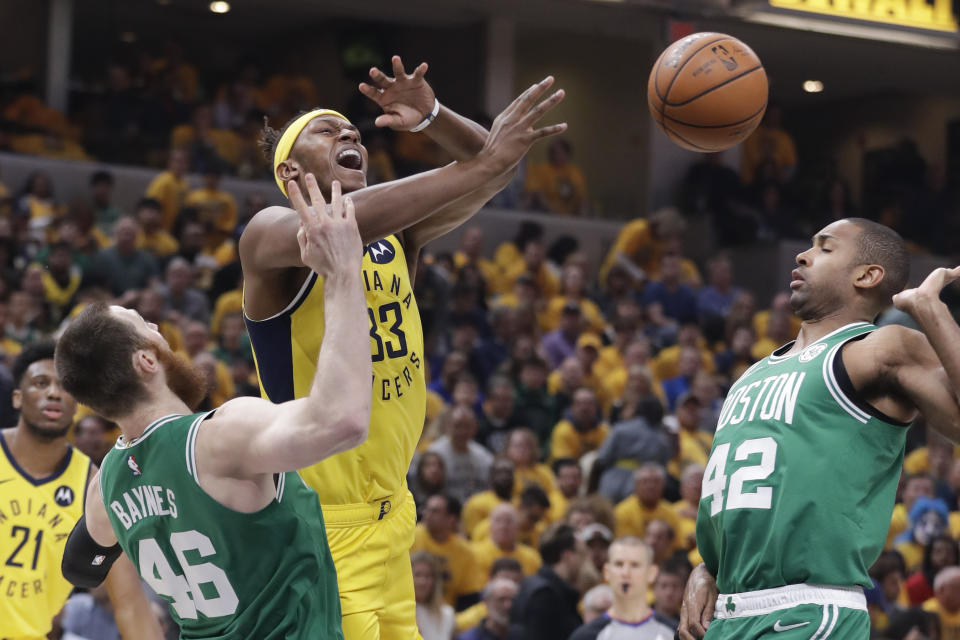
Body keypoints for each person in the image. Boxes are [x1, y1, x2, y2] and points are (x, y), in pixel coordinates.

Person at [241, 55, 565, 640]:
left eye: (353, 128)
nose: (348, 132)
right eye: (326, 128)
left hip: (394, 515)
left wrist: (433, 118)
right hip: (323, 523)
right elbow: (351, 221)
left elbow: (490, 171)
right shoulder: (270, 233)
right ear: (290, 172)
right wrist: (488, 155)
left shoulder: (396, 235)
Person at [57, 182, 371, 638]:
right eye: (144, 325)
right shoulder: (219, 437)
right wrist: (343, 271)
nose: (157, 326)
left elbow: (81, 568)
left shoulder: (107, 485)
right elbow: (342, 421)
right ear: (146, 362)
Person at [679, 218, 960, 639]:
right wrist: (708, 568)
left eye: (825, 248)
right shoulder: (751, 374)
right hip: (729, 613)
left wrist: (930, 310)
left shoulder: (879, 347)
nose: (802, 255)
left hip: (810, 611)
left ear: (867, 275)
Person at [0, 341, 161, 640]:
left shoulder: (94, 484)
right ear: (17, 398)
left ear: (76, 404)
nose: (53, 392)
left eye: (64, 386)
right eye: (40, 383)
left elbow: (128, 602)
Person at [570, 537, 676, 640]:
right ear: (607, 572)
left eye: (635, 565)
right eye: (619, 564)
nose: (625, 573)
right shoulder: (585, 636)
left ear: (651, 573)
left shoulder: (674, 633)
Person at [511, 522, 587, 640]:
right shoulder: (545, 596)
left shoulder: (537, 586)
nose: (585, 562)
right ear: (567, 556)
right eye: (582, 554)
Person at [411, 494, 484, 608]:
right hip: (409, 607)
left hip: (444, 614)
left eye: (434, 511)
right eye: (427, 509)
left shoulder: (465, 551)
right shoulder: (410, 536)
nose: (426, 514)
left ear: (451, 519)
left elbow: (468, 596)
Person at [455, 578, 524, 640]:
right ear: (486, 602)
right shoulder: (470, 637)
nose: (508, 605)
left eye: (513, 600)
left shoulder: (524, 635)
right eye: (501, 599)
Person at [412, 551, 456, 640]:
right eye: (417, 575)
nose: (422, 582)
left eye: (427, 576)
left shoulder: (447, 614)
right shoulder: (397, 613)